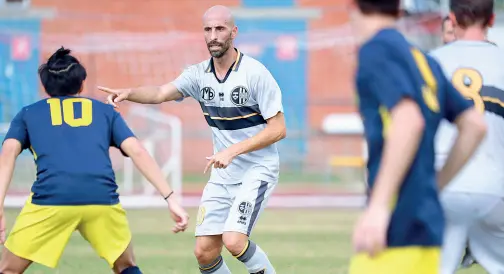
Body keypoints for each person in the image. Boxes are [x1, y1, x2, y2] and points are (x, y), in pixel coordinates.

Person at [98, 5, 285, 274]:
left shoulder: (255, 74)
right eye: (208, 30)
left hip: (258, 169)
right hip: (223, 172)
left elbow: (278, 129)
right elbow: (161, 92)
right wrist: (129, 92)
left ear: (233, 32)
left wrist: (232, 151)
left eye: (220, 29)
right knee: (205, 252)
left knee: (234, 240)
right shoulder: (198, 75)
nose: (213, 36)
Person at [0, 47, 189, 274]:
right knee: (126, 266)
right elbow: (137, 151)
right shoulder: (105, 112)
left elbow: (8, 155)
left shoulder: (28, 113)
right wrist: (170, 198)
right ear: (81, 85)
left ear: (45, 86)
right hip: (101, 198)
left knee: (9, 269)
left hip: (51, 198)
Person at [346, 0, 487, 273]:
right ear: (400, 10)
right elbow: (474, 125)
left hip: (396, 226)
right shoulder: (421, 58)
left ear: (352, 7)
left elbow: (408, 120)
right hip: (427, 227)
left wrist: (378, 207)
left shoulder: (375, 50)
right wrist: (436, 184)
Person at [430, 0, 504, 273]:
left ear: (452, 18)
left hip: (445, 182)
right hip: (496, 186)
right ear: (492, 20)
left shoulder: (432, 62)